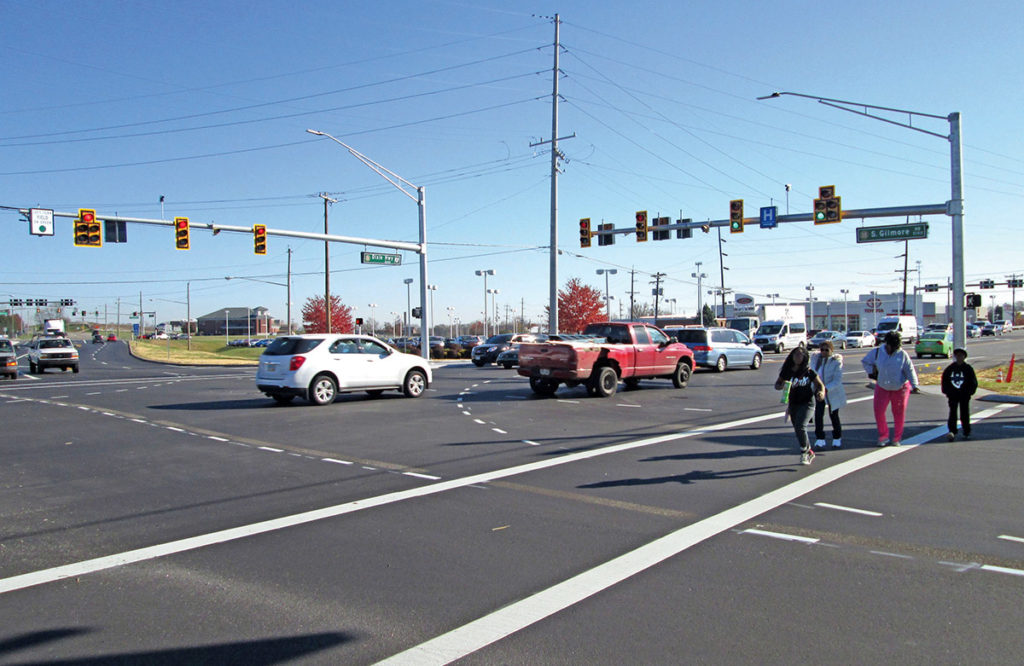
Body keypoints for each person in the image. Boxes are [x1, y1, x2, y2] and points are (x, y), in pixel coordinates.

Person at [862, 330, 920, 446]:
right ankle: (883, 436)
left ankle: (897, 438)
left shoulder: (902, 354)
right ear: (886, 343)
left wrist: (915, 385)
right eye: (890, 346)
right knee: (879, 411)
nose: (892, 349)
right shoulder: (877, 352)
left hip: (900, 387)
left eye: (895, 347)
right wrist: (872, 372)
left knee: (898, 413)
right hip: (882, 386)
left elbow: (910, 370)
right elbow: (865, 362)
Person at [775, 346, 826, 465]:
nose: (798, 357)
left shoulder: (808, 372)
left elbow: (820, 385)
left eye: (800, 355)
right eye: (795, 354)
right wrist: (780, 386)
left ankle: (804, 452)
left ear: (804, 357)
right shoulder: (787, 371)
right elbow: (777, 384)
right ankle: (809, 451)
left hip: (808, 403)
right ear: (792, 356)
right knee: (798, 430)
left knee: (801, 426)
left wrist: (821, 393)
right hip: (793, 404)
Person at [810, 340, 847, 449]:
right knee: (818, 414)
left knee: (834, 415)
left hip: (832, 391)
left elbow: (837, 380)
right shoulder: (816, 359)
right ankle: (820, 438)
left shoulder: (836, 362)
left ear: (831, 350)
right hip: (819, 391)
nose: (824, 352)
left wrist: (825, 389)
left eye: (827, 350)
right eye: (822, 349)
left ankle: (837, 437)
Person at [941, 347, 978, 441]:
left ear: (964, 357)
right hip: (953, 395)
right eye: (957, 355)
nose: (959, 357)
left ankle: (966, 431)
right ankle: (952, 431)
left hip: (964, 395)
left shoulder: (968, 369)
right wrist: (947, 392)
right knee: (953, 413)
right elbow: (945, 381)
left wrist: (970, 392)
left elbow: (973, 382)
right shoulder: (950, 369)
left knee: (964, 413)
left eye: (961, 355)